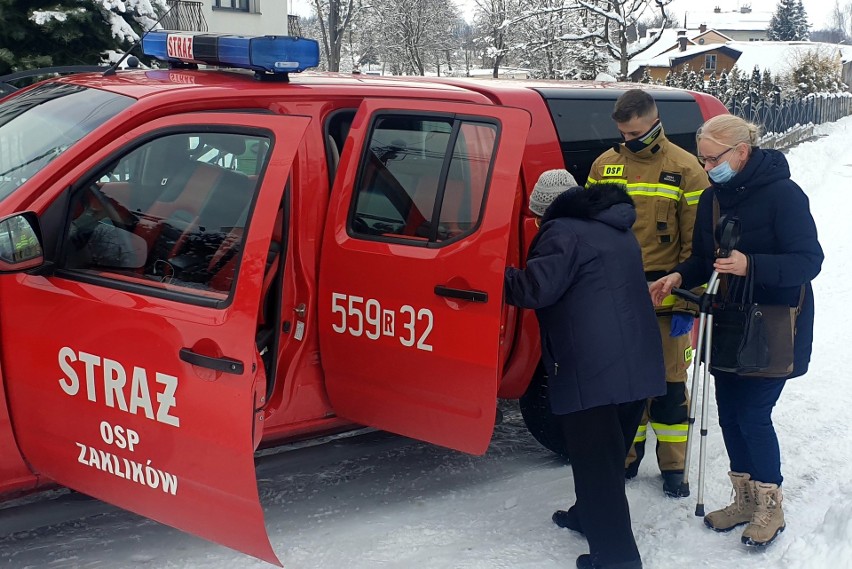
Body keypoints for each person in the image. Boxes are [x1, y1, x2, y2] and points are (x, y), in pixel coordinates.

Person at [650, 114, 823, 547]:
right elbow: (703, 257)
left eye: (712, 160)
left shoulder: (785, 195)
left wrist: (753, 264)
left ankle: (770, 506)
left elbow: (809, 261)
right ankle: (744, 498)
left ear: (741, 153)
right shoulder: (713, 198)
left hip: (775, 323)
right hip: (726, 322)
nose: (707, 168)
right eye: (703, 160)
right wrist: (677, 276)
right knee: (729, 415)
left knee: (752, 415)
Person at [505, 169, 665, 569]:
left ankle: (617, 559)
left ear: (544, 211)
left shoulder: (561, 233)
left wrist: (492, 273)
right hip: (635, 363)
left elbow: (535, 289)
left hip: (592, 370)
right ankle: (585, 515)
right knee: (607, 457)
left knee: (597, 466)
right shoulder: (613, 227)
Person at [586, 89, 710, 498]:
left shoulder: (686, 168)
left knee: (670, 388)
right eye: (623, 133)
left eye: (636, 132)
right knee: (623, 385)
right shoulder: (605, 165)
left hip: (666, 296)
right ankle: (626, 456)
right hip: (615, 298)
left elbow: (699, 246)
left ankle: (674, 466)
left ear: (655, 122)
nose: (629, 140)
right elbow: (586, 231)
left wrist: (691, 302)